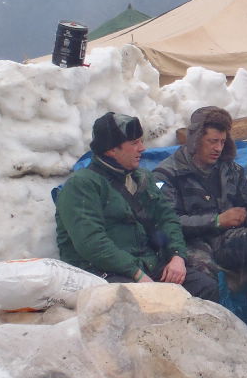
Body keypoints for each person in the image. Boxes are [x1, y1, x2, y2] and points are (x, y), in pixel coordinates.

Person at [152, 107, 247, 343]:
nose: (218, 148)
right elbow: (167, 222)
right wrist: (216, 220)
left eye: (222, 142)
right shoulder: (167, 174)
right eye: (212, 141)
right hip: (188, 244)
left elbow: (246, 206)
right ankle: (215, 337)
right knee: (204, 272)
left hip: (226, 239)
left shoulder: (230, 170)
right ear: (196, 140)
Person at [55, 111, 209, 294]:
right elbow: (91, 242)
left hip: (146, 265)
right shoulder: (82, 185)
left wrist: (177, 256)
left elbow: (167, 218)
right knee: (144, 301)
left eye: (141, 141)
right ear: (112, 149)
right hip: (104, 272)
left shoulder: (142, 178)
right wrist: (135, 273)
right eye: (134, 143)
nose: (142, 148)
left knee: (203, 286)